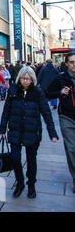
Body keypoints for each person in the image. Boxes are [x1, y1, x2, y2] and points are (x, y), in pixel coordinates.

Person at [0, 67, 59, 198]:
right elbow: (6, 110)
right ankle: (20, 182)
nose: (25, 81)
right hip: (15, 129)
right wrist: (2, 128)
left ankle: (31, 183)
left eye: (28, 78)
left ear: (32, 79)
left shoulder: (38, 92)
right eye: (23, 78)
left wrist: (52, 132)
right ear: (19, 78)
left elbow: (46, 113)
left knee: (31, 159)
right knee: (15, 157)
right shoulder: (13, 90)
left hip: (32, 130)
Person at [46, 51, 75, 193]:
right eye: (71, 62)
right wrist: (60, 92)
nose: (74, 65)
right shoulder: (61, 78)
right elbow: (47, 92)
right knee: (71, 148)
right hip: (67, 117)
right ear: (67, 64)